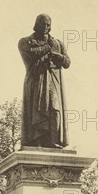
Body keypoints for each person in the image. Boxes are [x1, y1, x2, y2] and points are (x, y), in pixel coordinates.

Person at [18, 14, 70, 148]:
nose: (46, 27)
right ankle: (38, 141)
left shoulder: (58, 43)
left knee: (55, 108)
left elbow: (67, 62)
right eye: (43, 24)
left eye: (48, 24)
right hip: (36, 80)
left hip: (53, 79)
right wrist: (48, 47)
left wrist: (60, 58)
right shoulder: (25, 41)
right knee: (37, 110)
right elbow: (32, 53)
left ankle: (53, 140)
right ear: (37, 24)